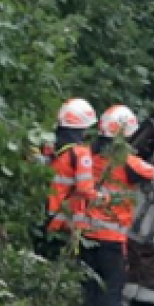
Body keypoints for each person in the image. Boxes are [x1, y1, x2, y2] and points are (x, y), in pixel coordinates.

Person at [83, 105, 154, 306]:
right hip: (111, 241)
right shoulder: (129, 163)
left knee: (90, 293)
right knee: (112, 294)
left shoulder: (89, 158)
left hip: (85, 237)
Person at [45, 98, 98, 242]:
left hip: (46, 214)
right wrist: (102, 198)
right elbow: (85, 189)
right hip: (64, 222)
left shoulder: (50, 146)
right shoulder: (81, 153)